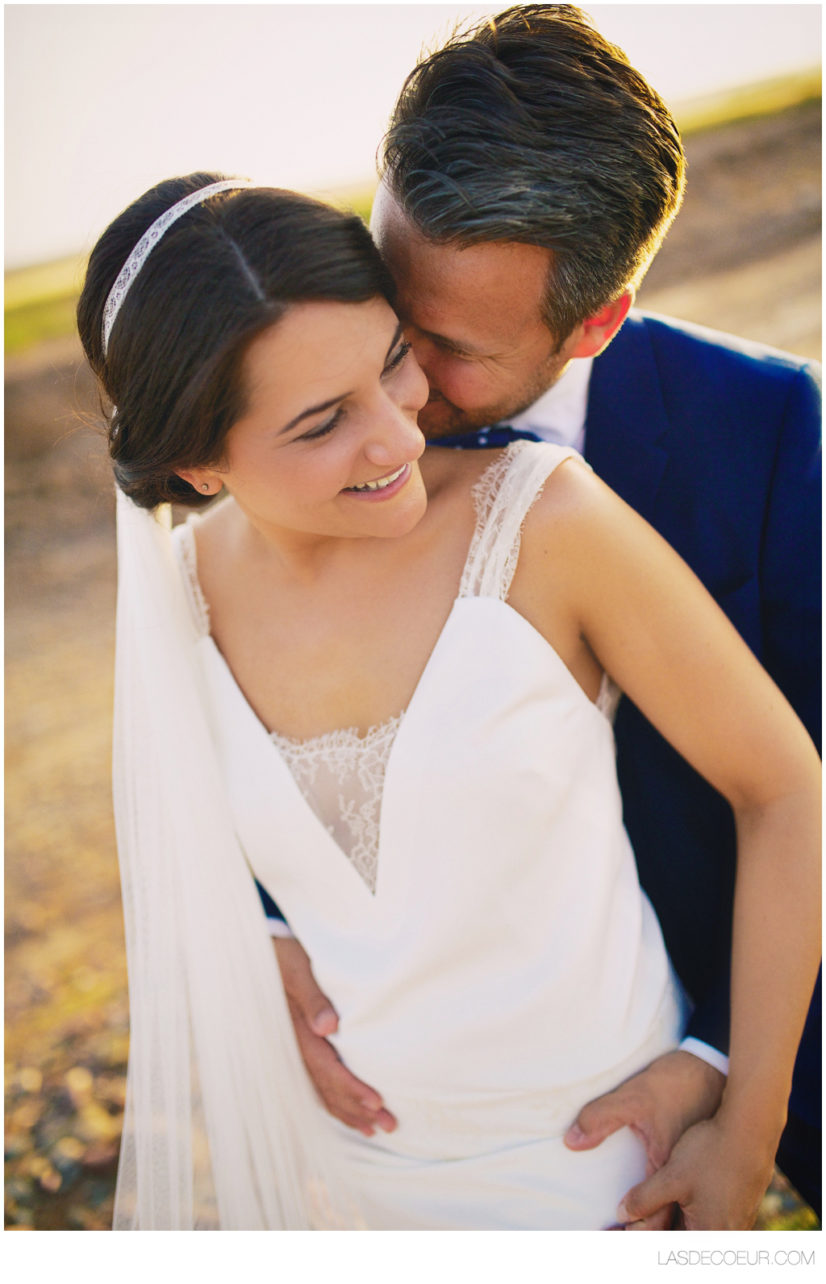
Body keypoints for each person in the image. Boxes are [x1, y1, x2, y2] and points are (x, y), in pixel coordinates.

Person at [78, 172, 819, 1231]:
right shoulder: (171, 608)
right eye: (325, 421)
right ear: (198, 463)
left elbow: (787, 788)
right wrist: (265, 932)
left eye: (393, 362)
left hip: (608, 1160)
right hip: (360, 1177)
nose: (398, 437)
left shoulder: (545, 521)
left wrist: (744, 1136)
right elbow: (209, 845)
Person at [267, 4, 823, 1227]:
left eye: (448, 347)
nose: (394, 384)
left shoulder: (772, 435)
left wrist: (740, 1087)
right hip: (448, 1115)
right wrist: (268, 921)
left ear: (597, 322)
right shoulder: (325, 412)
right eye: (385, 300)